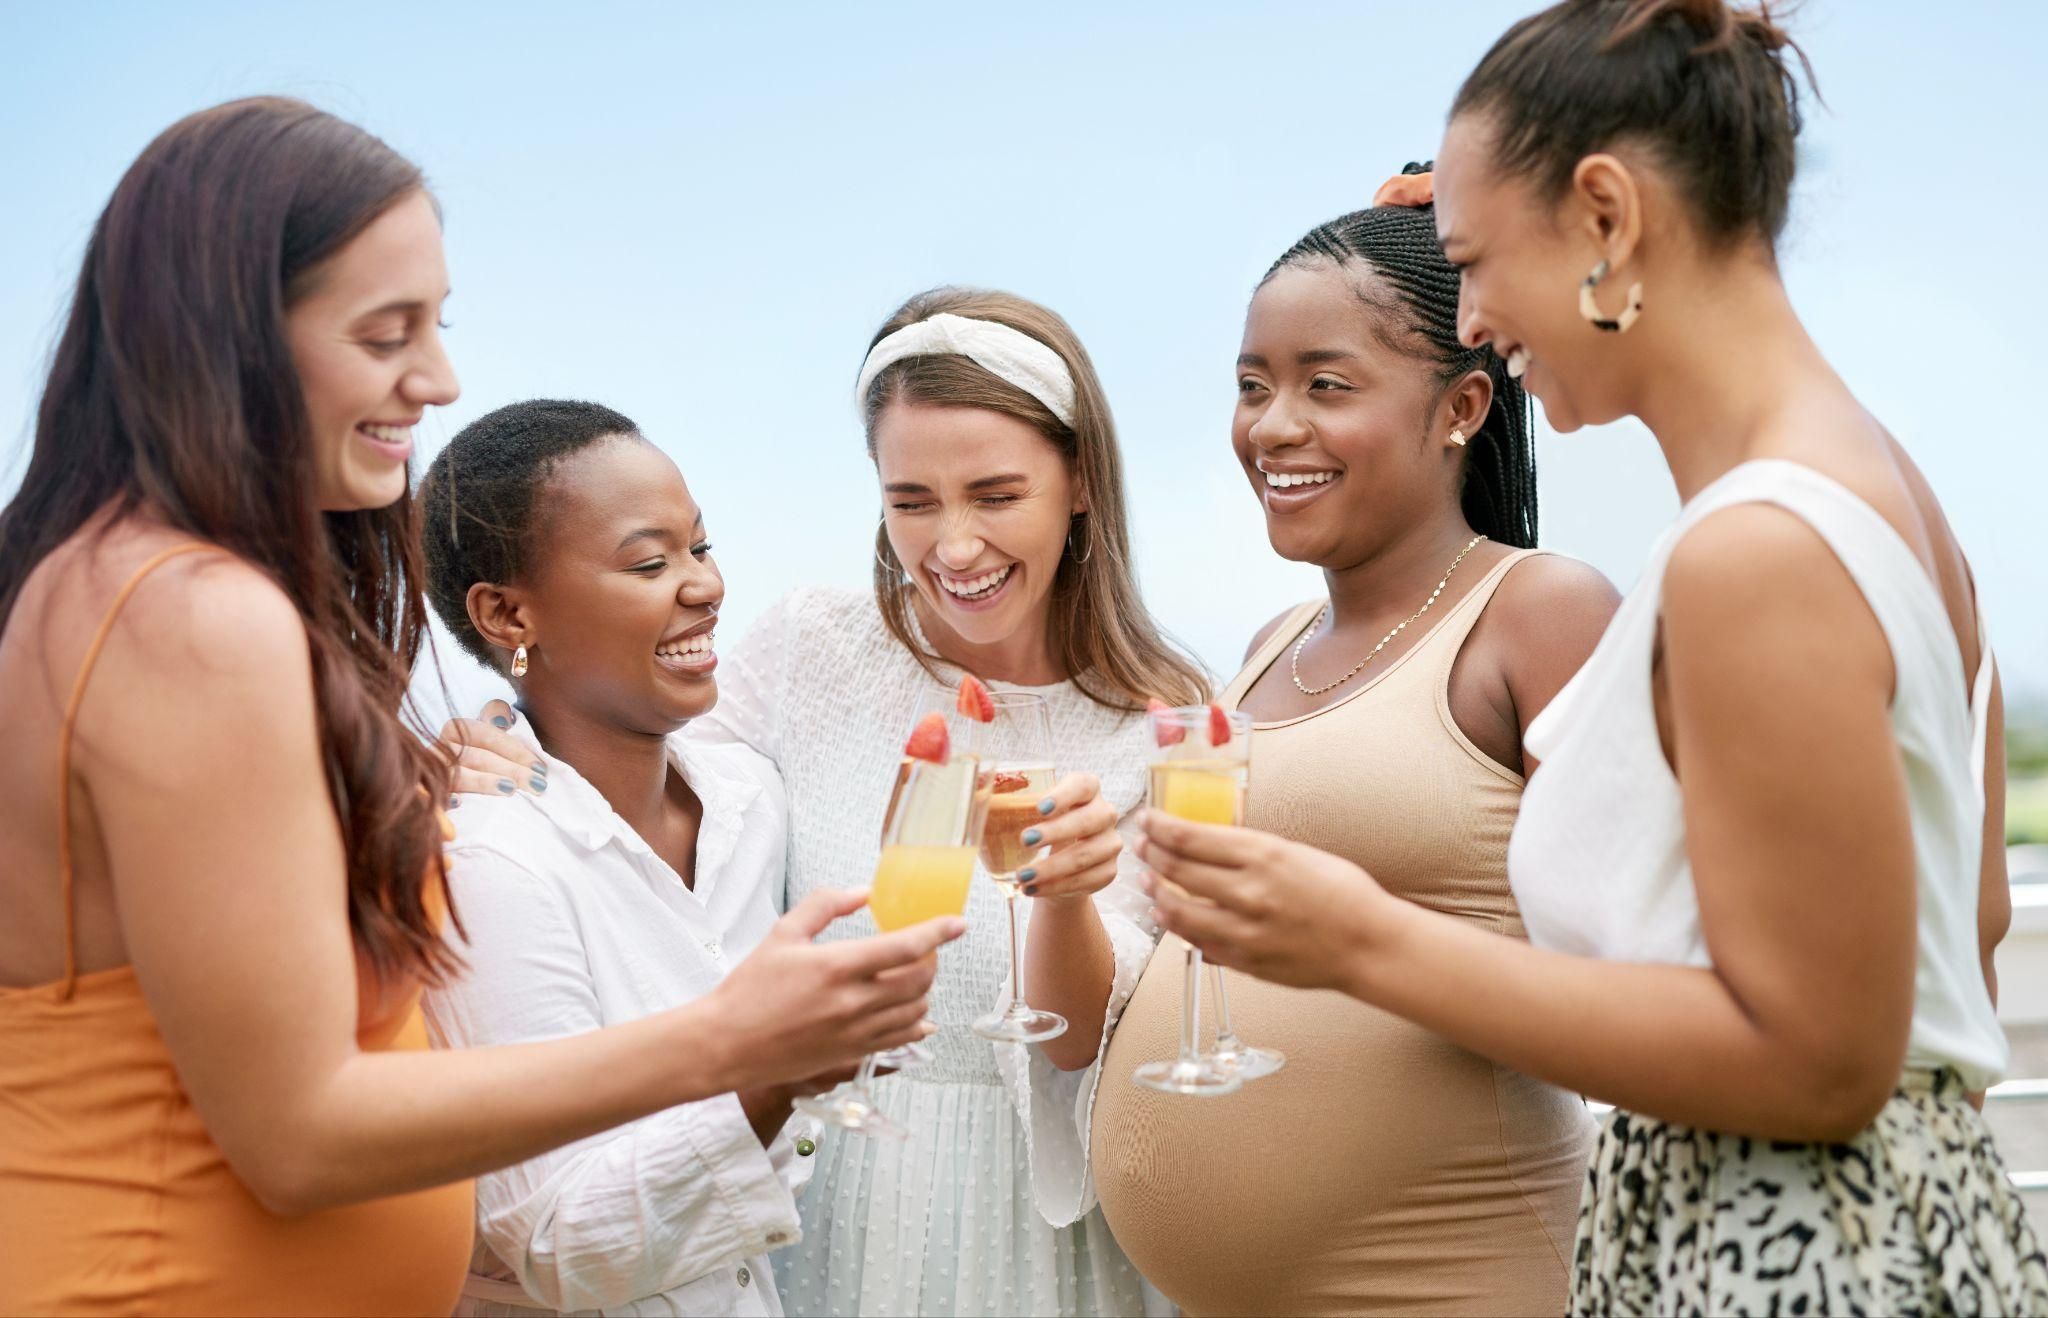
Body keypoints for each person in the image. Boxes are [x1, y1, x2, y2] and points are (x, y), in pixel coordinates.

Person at [1138, 4, 2048, 1314]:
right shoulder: (1879, 492)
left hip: (1778, 1257)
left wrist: (1357, 936)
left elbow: (1820, 1065)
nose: (1475, 323)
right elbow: (1966, 928)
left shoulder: (1757, 555)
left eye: (1472, 263)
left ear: (1608, 218)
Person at [0, 99, 951, 1317]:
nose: (438, 379)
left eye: (436, 326)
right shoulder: (186, 616)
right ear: (227, 334)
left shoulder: (108, 585)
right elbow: (295, 1132)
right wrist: (729, 1039)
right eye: (386, 333)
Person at [1011, 169, 1618, 1316]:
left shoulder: (1539, 612)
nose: (1271, 425)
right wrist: (1061, 892)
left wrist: (1356, 939)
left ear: (1460, 409)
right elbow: (1081, 1032)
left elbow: (1627, 987)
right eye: (1251, 385)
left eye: (1323, 384)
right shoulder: (1263, 648)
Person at [692, 287, 1208, 1316]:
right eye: (912, 500)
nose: (954, 546)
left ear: (1079, 485)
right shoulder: (809, 650)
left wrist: (1062, 895)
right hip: (825, 1179)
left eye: (994, 493)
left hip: (1029, 1224)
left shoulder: (1166, 722)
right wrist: (506, 741)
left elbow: (1071, 1045)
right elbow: (651, 798)